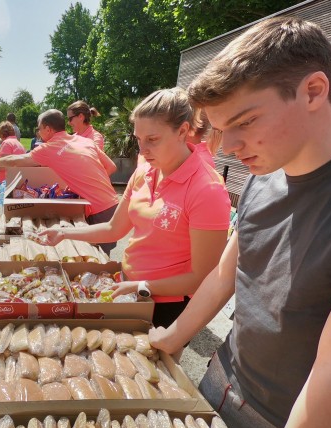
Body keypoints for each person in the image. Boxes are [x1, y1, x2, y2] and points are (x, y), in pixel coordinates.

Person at [147, 18, 331, 428]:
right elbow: (228, 272)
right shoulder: (262, 175)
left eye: (245, 122)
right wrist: (176, 334)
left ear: (313, 90)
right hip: (221, 380)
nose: (228, 147)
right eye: (222, 130)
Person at [39, 90, 230, 327]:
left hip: (168, 306)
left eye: (152, 139)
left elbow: (203, 277)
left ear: (182, 131)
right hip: (129, 287)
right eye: (139, 139)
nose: (142, 150)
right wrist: (65, 233)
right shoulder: (144, 173)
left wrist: (143, 286)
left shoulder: (207, 189)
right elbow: (113, 228)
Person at [0, 109, 119, 253]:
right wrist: (84, 184)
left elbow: (14, 161)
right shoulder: (84, 140)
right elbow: (111, 167)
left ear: (47, 129)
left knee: (97, 258)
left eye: (39, 128)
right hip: (113, 204)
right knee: (100, 257)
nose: (38, 132)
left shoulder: (49, 148)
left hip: (98, 211)